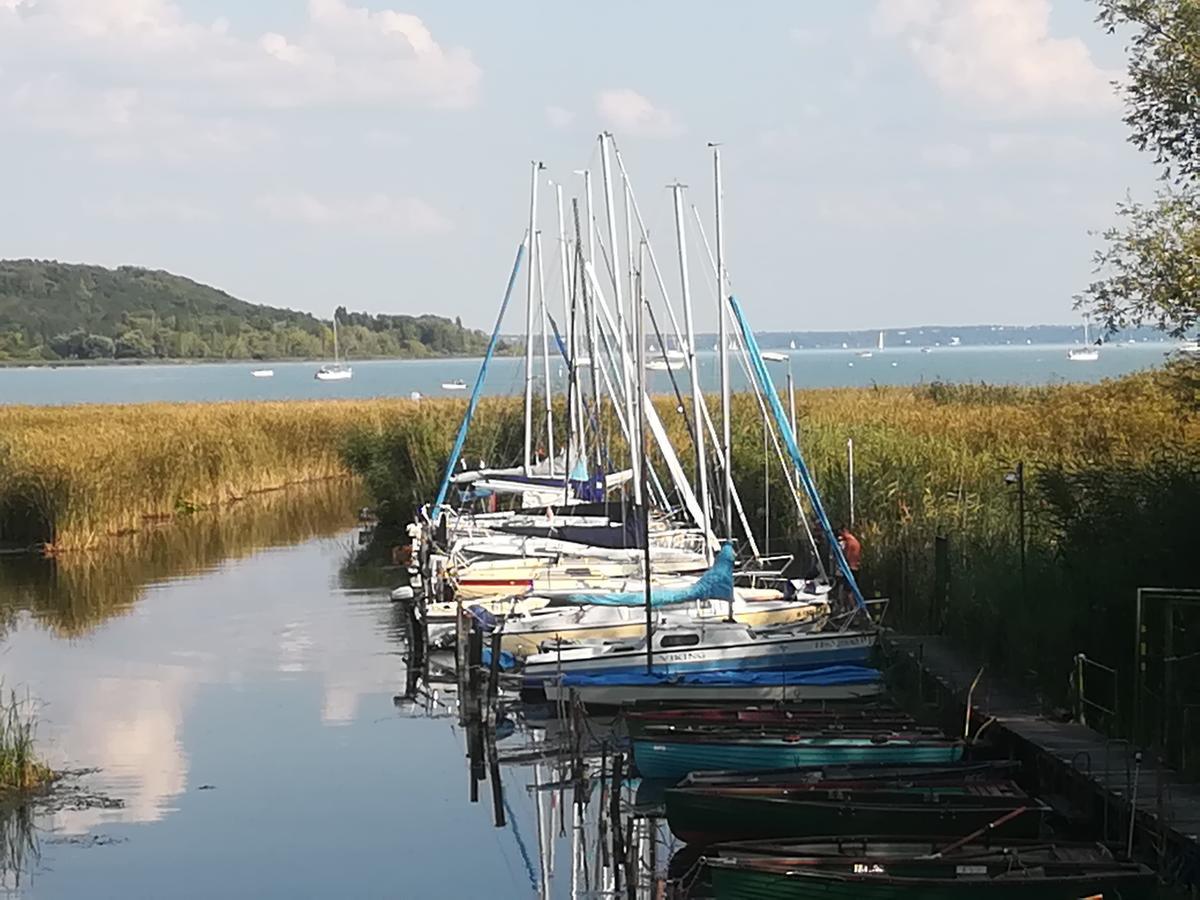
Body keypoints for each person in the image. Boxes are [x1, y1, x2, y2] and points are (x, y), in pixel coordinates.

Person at [833, 525, 862, 611]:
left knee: (848, 592)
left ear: (844, 531)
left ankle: (854, 610)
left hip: (850, 569)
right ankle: (849, 609)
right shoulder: (855, 541)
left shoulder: (849, 543)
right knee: (848, 591)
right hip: (855, 567)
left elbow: (846, 556)